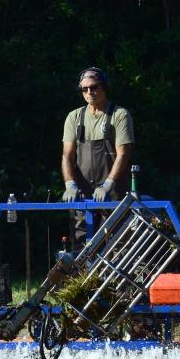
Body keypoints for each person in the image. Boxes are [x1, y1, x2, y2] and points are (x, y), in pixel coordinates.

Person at [60, 66, 134, 242]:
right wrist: (70, 184)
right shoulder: (74, 117)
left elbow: (123, 153)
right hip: (83, 195)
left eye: (94, 87)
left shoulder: (119, 114)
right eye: (84, 89)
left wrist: (109, 184)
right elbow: (67, 155)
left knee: (118, 242)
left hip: (114, 194)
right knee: (81, 245)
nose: (89, 92)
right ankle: (85, 270)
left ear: (104, 87)